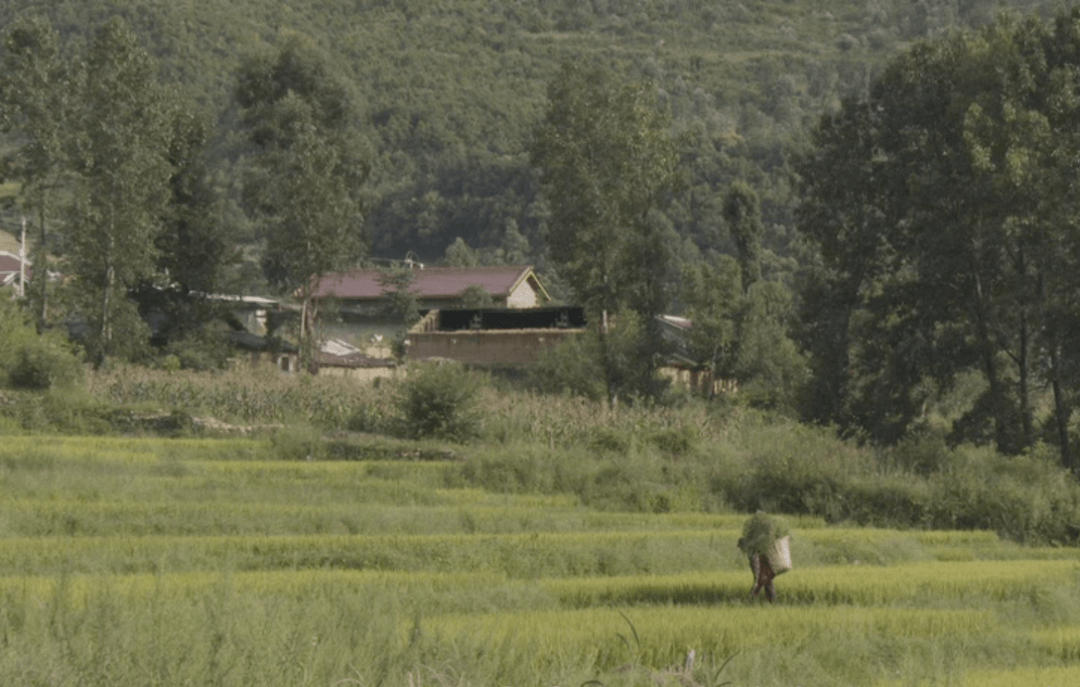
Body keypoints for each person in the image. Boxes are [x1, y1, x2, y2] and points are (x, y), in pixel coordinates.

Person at [737, 511, 789, 603]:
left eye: (742, 547)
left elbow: (756, 570)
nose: (742, 550)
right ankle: (772, 601)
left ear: (745, 544)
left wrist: (756, 583)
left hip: (768, 570)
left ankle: (753, 601)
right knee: (767, 583)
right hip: (768, 570)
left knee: (761, 585)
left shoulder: (753, 552)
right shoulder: (757, 548)